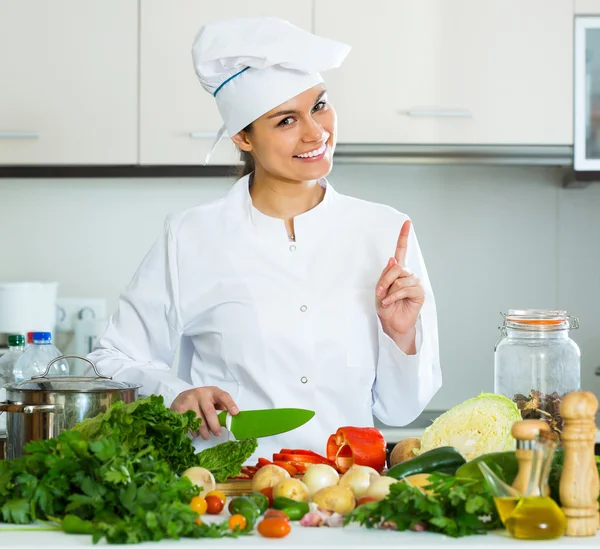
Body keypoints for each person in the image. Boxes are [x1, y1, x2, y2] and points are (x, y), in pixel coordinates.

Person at [88, 16, 442, 459]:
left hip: (348, 489)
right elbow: (111, 358)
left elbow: (401, 408)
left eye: (319, 105)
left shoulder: (387, 232)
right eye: (285, 120)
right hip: (228, 495)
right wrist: (176, 392)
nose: (316, 132)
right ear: (242, 136)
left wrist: (401, 337)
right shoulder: (191, 236)